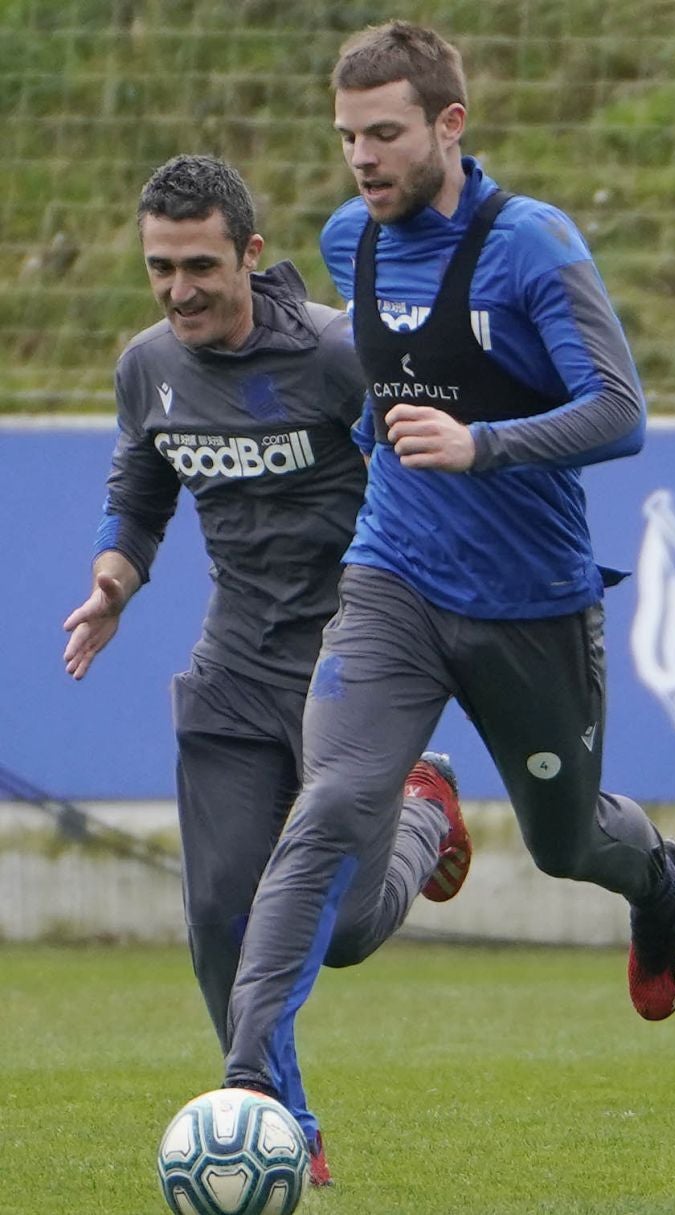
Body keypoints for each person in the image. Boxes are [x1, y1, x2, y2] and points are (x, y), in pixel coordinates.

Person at [221, 18, 675, 1150]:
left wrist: (482, 444)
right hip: (392, 580)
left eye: (384, 134)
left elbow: (620, 412)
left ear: (449, 124)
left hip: (531, 603)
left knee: (569, 843)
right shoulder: (353, 239)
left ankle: (661, 883)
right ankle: (253, 1089)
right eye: (347, 138)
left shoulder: (532, 244)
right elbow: (377, 372)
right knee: (333, 813)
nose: (363, 160)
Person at [62, 153, 471, 1187]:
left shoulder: (341, 353)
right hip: (234, 665)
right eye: (160, 266)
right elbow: (141, 483)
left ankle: (426, 813)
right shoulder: (148, 364)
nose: (178, 288)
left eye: (199, 263)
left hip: (355, 667)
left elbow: (427, 483)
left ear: (250, 253)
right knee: (218, 918)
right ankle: (279, 1117)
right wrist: (114, 581)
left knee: (342, 931)